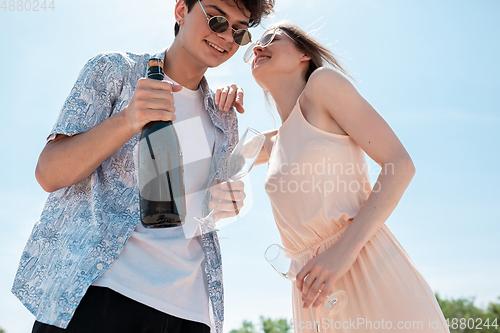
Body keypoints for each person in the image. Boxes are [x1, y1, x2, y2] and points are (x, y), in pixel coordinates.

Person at [11, 1, 274, 332]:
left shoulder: (224, 117)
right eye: (217, 19)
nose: (226, 37)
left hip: (191, 312)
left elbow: (205, 211)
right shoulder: (114, 71)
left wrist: (234, 201)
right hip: (103, 291)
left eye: (240, 29)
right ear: (181, 10)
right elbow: (49, 173)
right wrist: (129, 119)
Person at [246, 22, 449, 332]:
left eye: (272, 38)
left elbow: (400, 164)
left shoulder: (322, 85)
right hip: (314, 291)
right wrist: (220, 110)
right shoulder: (268, 143)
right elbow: (212, 161)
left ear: (303, 54)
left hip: (366, 267)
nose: (258, 47)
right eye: (256, 44)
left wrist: (342, 253)